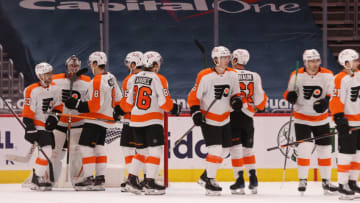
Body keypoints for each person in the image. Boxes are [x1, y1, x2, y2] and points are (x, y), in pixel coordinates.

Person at [120, 51, 181, 195]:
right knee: (155, 150)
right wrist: (175, 108)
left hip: (135, 121)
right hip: (152, 121)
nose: (158, 66)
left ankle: (132, 180)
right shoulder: (159, 78)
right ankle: (150, 183)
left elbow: (127, 104)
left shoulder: (134, 78)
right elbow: (164, 103)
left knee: (141, 151)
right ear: (154, 64)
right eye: (158, 63)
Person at [65, 51, 125, 191]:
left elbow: (95, 106)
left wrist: (76, 104)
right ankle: (100, 179)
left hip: (95, 119)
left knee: (86, 147)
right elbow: (119, 98)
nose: (91, 67)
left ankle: (88, 178)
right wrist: (116, 112)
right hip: (105, 120)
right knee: (99, 148)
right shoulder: (111, 77)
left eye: (92, 63)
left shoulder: (97, 80)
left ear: (96, 63)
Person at [188, 46, 242, 196]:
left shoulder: (233, 75)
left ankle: (205, 176)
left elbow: (235, 94)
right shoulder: (204, 76)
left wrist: (236, 101)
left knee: (224, 151)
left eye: (227, 57)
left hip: (225, 118)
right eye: (223, 58)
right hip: (209, 119)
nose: (227, 60)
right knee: (216, 150)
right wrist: (196, 112)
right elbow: (193, 97)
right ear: (215, 59)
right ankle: (210, 181)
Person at [283, 49, 337, 195]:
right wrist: (291, 96)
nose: (314, 64)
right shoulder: (296, 75)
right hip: (302, 118)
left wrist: (326, 101)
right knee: (304, 149)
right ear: (305, 62)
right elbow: (288, 93)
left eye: (317, 60)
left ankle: (326, 181)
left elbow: (329, 94)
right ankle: (302, 179)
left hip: (321, 119)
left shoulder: (327, 74)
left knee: (325, 150)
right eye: (311, 61)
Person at [50, 55, 91, 187]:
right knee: (55, 151)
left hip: (78, 121)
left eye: (76, 66)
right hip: (60, 121)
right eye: (71, 66)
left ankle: (78, 180)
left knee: (76, 150)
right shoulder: (56, 80)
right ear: (67, 66)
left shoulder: (87, 81)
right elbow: (49, 97)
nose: (73, 68)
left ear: (79, 67)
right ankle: (49, 179)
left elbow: (89, 102)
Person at [22, 62, 61, 191]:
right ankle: (37, 177)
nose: (50, 76)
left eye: (51, 73)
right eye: (46, 74)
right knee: (47, 151)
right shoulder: (31, 90)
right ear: (40, 75)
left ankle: (37, 177)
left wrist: (54, 118)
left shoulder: (55, 88)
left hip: (48, 127)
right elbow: (28, 111)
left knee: (47, 152)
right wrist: (30, 127)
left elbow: (58, 106)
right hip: (38, 126)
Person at [329, 49, 360, 200]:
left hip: (359, 123)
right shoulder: (339, 79)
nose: (358, 63)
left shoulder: (358, 75)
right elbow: (335, 101)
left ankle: (352, 182)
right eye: (355, 61)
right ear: (346, 63)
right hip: (348, 123)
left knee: (358, 154)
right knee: (346, 154)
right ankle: (342, 185)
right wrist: (339, 119)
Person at [116, 51, 144, 192]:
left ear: (133, 64)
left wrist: (118, 110)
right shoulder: (150, 77)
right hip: (146, 121)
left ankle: (131, 179)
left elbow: (127, 103)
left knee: (127, 149)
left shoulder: (129, 79)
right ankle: (146, 178)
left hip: (131, 120)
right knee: (142, 151)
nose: (128, 66)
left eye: (128, 63)